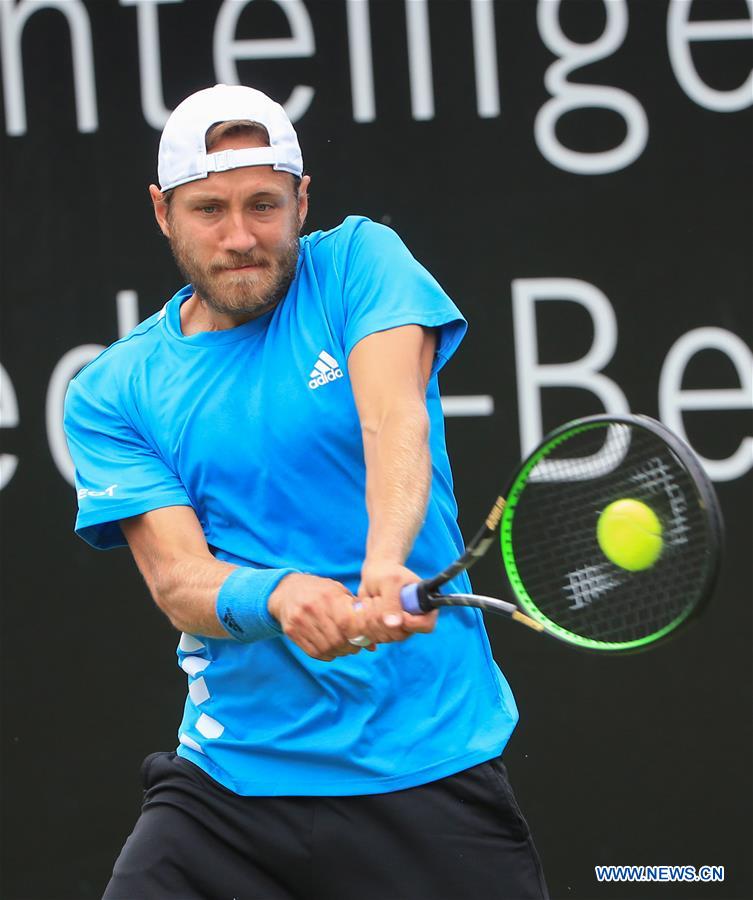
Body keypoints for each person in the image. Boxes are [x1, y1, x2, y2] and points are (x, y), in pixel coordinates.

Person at [64, 84, 548, 900]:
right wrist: (280, 595)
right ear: (162, 212)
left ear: (301, 199)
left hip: (425, 769)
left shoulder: (359, 262)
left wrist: (385, 561)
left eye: (263, 204)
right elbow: (179, 581)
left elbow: (393, 419)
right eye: (208, 210)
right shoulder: (113, 391)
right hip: (226, 789)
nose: (240, 236)